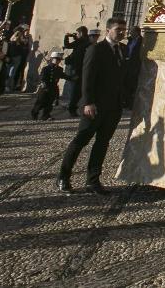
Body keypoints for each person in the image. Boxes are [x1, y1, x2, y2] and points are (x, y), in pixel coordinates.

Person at [58, 17, 126, 195]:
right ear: (108, 30)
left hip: (113, 107)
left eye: (123, 30)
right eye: (118, 29)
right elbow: (87, 77)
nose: (121, 32)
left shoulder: (122, 49)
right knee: (80, 141)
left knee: (102, 143)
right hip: (95, 106)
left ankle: (93, 180)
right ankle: (63, 177)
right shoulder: (96, 49)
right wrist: (88, 101)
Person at [64, 27, 92, 116]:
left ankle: (72, 106)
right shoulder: (87, 41)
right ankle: (73, 105)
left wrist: (66, 37)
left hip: (77, 68)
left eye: (77, 33)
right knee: (78, 89)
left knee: (75, 89)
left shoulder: (80, 41)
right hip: (82, 68)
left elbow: (67, 45)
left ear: (80, 33)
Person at [31, 51, 66, 120]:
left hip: (53, 88)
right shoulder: (46, 68)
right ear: (52, 59)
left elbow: (63, 75)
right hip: (45, 88)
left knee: (50, 103)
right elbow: (42, 76)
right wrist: (43, 82)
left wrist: (72, 78)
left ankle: (45, 115)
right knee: (40, 102)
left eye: (59, 59)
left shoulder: (59, 69)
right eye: (56, 59)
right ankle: (34, 113)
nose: (58, 61)